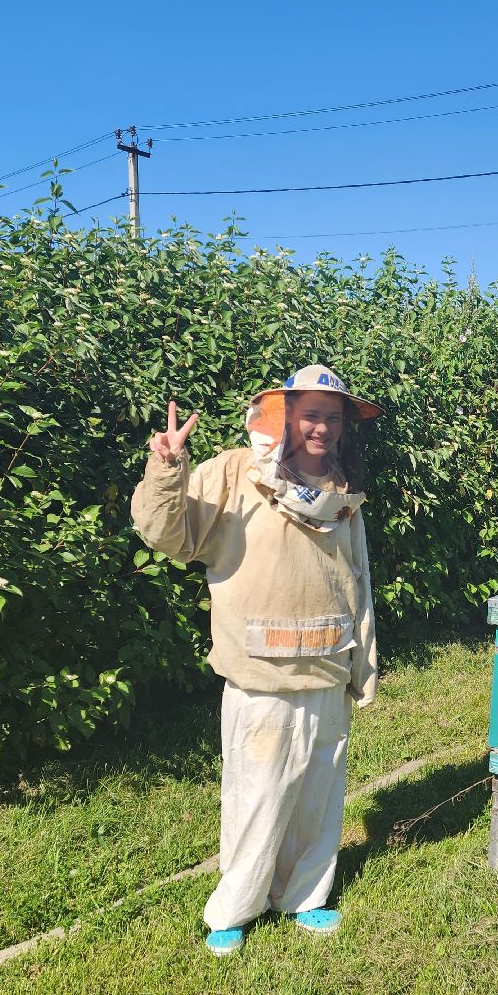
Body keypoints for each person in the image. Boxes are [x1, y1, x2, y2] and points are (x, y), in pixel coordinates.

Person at [131, 364, 383, 956]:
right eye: (312, 414)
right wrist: (168, 468)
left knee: (318, 793)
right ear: (286, 416)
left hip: (327, 661)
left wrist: (363, 663)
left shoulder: (344, 490)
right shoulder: (236, 473)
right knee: (258, 791)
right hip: (260, 668)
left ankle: (305, 896)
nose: (322, 427)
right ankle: (235, 907)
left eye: (333, 417)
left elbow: (358, 580)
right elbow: (168, 535)